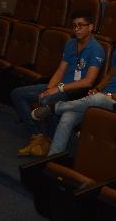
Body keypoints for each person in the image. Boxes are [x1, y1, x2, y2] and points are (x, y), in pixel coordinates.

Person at [30, 18, 116, 155]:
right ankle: (53, 157)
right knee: (67, 117)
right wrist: (98, 89)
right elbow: (110, 74)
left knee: (98, 99)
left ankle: (54, 107)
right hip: (101, 97)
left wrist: (109, 96)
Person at [12, 10, 104, 156]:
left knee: (46, 100)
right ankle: (37, 135)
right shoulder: (71, 43)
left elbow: (88, 82)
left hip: (74, 92)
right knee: (17, 94)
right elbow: (61, 70)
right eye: (74, 26)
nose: (77, 29)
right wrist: (49, 88)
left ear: (91, 27)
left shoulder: (97, 49)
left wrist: (58, 89)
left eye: (81, 25)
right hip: (59, 87)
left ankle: (50, 139)